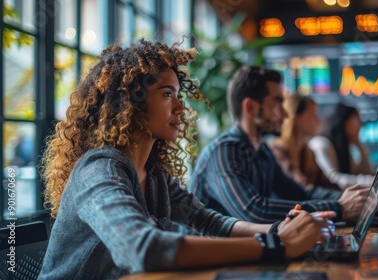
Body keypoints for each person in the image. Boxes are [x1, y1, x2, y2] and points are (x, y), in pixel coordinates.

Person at [38, 40, 334, 280]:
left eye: (179, 95)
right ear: (131, 102)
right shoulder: (98, 170)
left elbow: (209, 221)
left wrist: (278, 230)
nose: (181, 108)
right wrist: (276, 244)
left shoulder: (154, 175)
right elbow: (143, 249)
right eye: (168, 94)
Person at [190, 65, 371, 225]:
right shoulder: (224, 151)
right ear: (250, 107)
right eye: (277, 102)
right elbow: (254, 211)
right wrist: (338, 207)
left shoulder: (262, 150)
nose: (285, 114)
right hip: (213, 260)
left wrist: (354, 200)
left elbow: (300, 193)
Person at [267, 94, 340, 191]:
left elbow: (328, 184)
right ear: (297, 118)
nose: (318, 120)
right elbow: (302, 187)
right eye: (313, 115)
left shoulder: (307, 153)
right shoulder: (278, 151)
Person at [308, 103, 376, 190]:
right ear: (342, 121)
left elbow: (367, 173)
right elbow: (334, 179)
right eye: (356, 120)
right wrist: (370, 181)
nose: (360, 125)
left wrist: (358, 144)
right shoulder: (321, 143)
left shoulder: (345, 147)